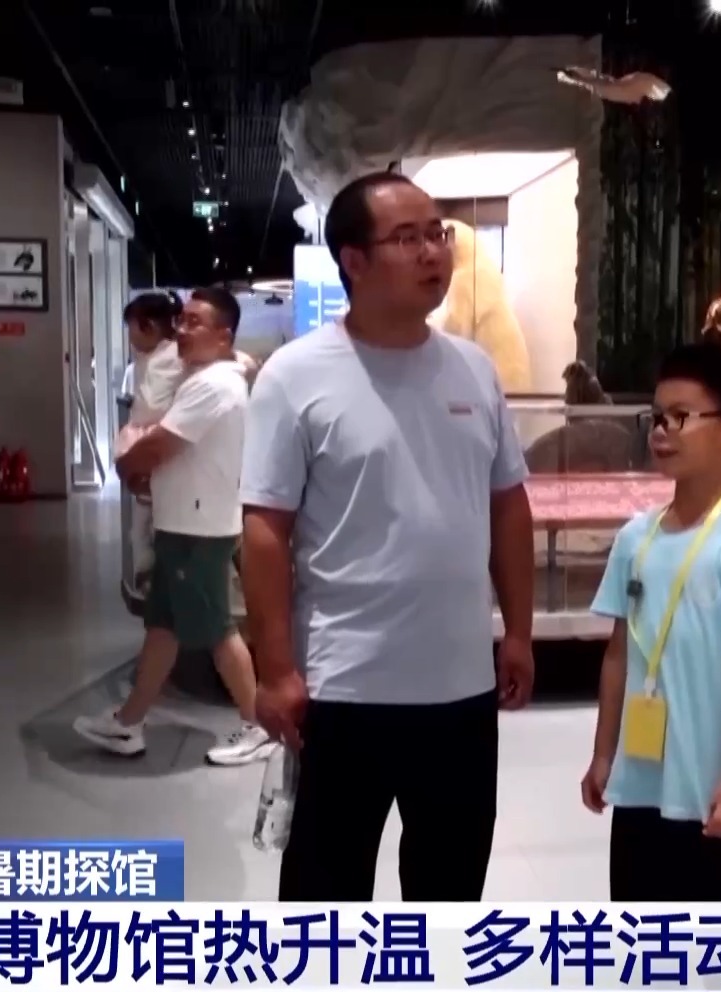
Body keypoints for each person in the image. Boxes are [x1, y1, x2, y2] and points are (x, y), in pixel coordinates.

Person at [242, 172, 536, 901]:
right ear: (354, 260)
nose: (433, 252)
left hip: (460, 689)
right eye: (408, 238)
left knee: (450, 890)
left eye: (438, 234)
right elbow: (266, 530)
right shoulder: (295, 376)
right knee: (325, 894)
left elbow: (507, 504)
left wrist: (519, 632)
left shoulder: (473, 370)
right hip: (343, 687)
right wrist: (275, 670)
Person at [580, 343, 721, 901]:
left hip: (714, 796)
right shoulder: (636, 538)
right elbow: (619, 656)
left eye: (680, 416)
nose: (661, 431)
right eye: (656, 417)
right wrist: (604, 753)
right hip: (640, 789)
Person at [76, 286, 272, 766]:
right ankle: (129, 723)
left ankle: (259, 726)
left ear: (224, 335)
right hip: (185, 519)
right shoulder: (208, 375)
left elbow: (159, 444)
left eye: (194, 322)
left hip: (197, 528)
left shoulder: (214, 385)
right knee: (163, 625)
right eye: (181, 320)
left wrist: (125, 463)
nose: (181, 330)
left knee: (216, 630)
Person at [116, 291, 185, 586]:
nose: (130, 335)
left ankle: (150, 571)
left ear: (150, 326)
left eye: (132, 327)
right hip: (147, 436)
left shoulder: (173, 356)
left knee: (150, 520)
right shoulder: (148, 358)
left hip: (158, 437)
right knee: (144, 519)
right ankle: (147, 571)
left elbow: (156, 403)